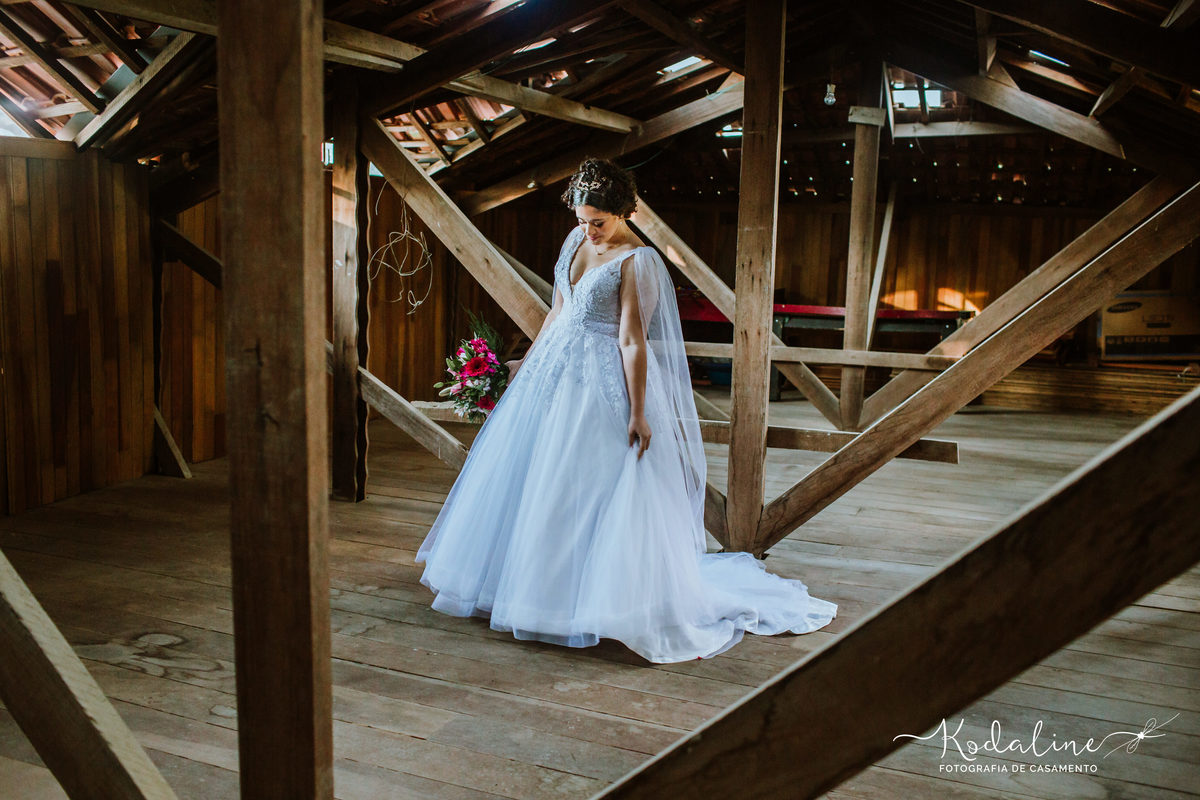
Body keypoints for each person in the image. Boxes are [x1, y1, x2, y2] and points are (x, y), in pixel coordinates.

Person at [415, 157, 837, 664]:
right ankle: (526, 588)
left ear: (625, 213)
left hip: (603, 381)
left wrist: (639, 412)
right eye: (581, 219)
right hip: (554, 370)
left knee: (589, 482)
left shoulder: (638, 262)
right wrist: (526, 364)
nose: (588, 231)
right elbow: (559, 310)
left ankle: (594, 601)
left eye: (599, 221)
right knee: (536, 478)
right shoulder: (575, 241)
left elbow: (632, 338)